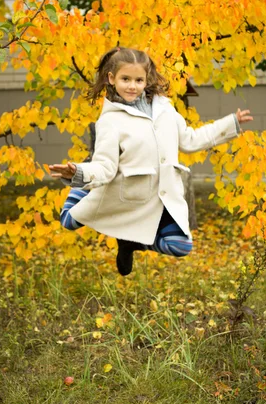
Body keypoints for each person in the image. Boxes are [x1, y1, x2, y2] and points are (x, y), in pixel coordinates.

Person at [49, 47, 253, 276]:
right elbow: (105, 166)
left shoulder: (165, 108)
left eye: (138, 80)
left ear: (147, 80)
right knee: (68, 220)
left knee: (181, 245)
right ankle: (81, 190)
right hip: (129, 193)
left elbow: (191, 140)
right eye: (125, 79)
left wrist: (230, 123)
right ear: (111, 78)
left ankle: (129, 243)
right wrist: (77, 173)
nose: (132, 86)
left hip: (161, 194)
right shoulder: (110, 120)